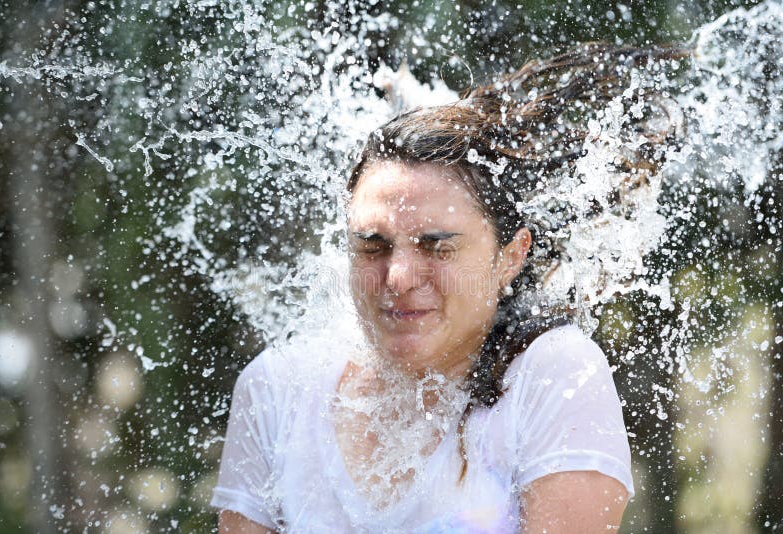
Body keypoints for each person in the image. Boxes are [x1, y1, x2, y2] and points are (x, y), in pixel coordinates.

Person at [211, 43, 684, 533]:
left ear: (511, 257)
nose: (397, 278)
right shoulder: (279, 389)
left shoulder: (552, 376)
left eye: (437, 247)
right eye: (373, 246)